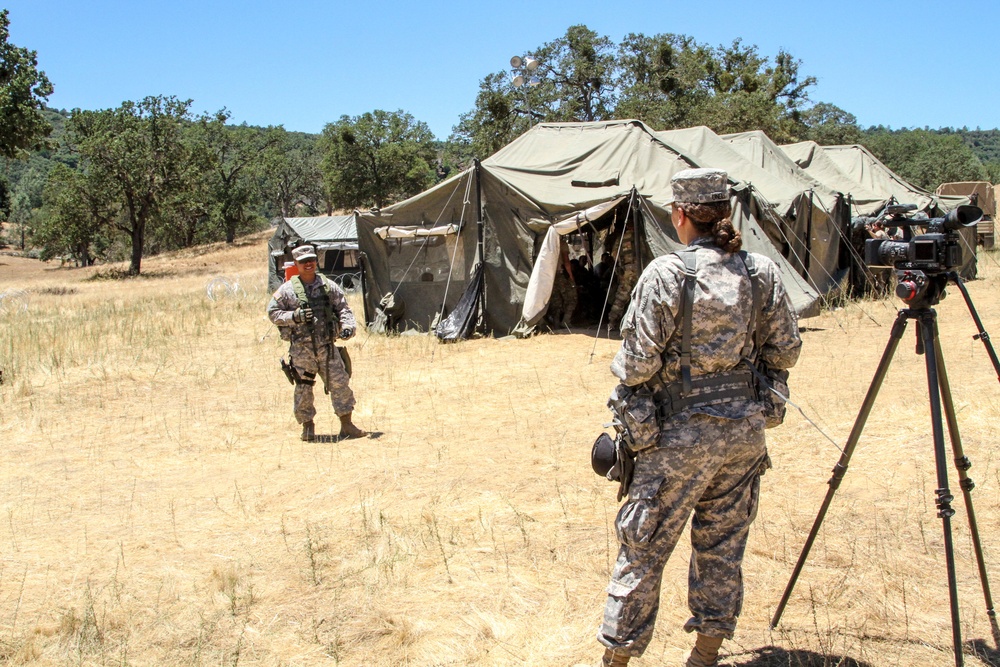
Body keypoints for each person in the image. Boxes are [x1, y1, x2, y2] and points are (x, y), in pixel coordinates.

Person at [595, 168, 801, 667]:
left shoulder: (667, 274)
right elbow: (786, 351)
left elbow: (639, 364)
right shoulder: (761, 272)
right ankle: (706, 654)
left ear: (680, 214)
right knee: (722, 550)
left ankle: (618, 660)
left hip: (676, 442)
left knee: (642, 551)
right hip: (743, 438)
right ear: (726, 214)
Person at [267, 245, 366, 441]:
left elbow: (343, 309)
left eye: (311, 260)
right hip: (301, 350)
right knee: (304, 387)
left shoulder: (328, 286)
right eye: (303, 262)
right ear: (296, 264)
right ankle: (308, 427)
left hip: (327, 347)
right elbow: (273, 313)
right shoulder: (287, 291)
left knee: (340, 383)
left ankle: (347, 424)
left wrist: (347, 327)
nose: (308, 264)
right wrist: (294, 316)